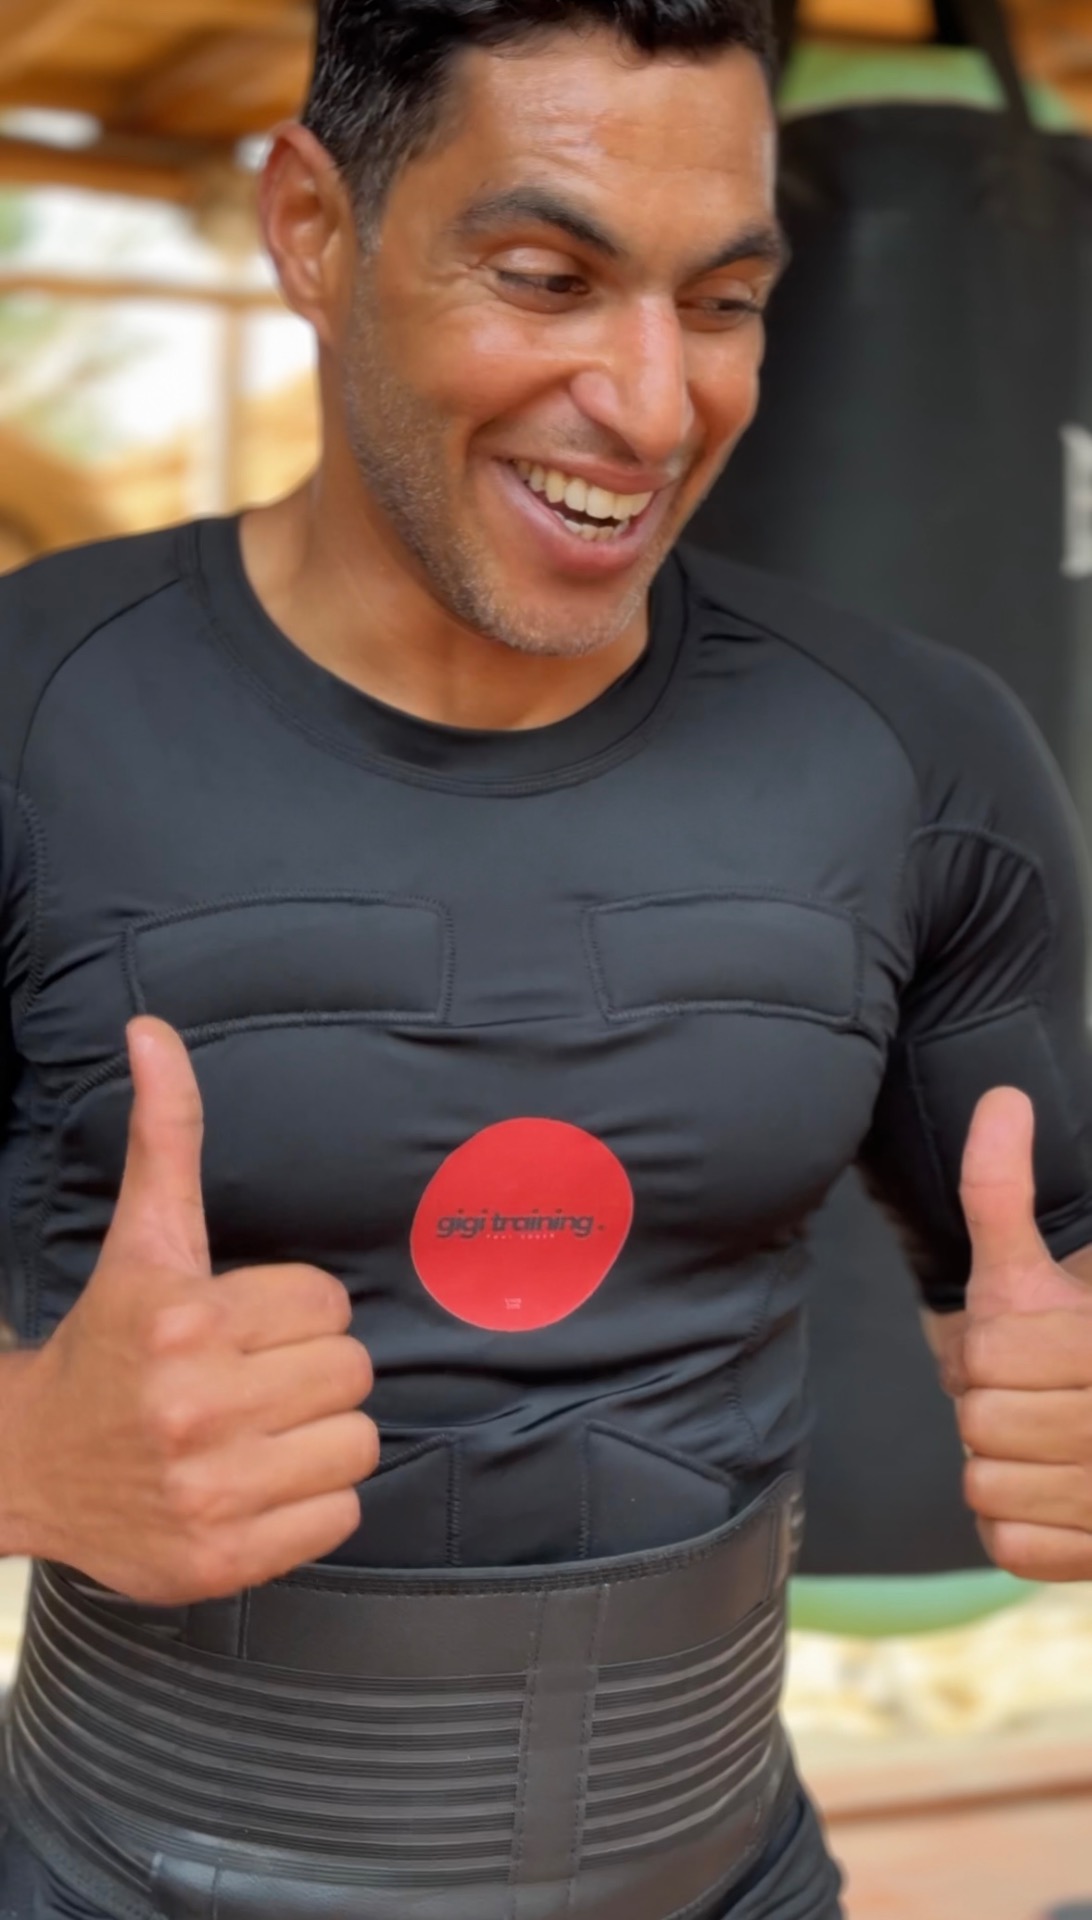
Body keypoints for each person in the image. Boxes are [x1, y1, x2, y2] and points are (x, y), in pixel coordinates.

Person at [2, 2, 1092, 1915]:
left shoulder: (916, 749)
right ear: (314, 228)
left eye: (724, 301)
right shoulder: (30, 715)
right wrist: (22, 1454)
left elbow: (1056, 1252)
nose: (655, 407)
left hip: (733, 1878)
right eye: (545, 278)